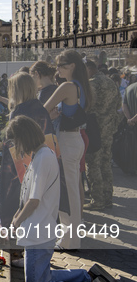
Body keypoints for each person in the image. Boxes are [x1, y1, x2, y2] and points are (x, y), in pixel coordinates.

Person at [6, 115, 123, 282]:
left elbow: (34, 200)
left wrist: (17, 222)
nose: (17, 147)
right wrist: (17, 215)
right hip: (41, 230)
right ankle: (87, 277)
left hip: (38, 233)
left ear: (24, 138)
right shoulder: (43, 154)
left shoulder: (42, 159)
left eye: (16, 142)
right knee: (44, 276)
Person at [0, 73, 56, 230]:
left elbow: (12, 142)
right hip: (41, 157)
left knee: (18, 195)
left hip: (20, 160)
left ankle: (13, 223)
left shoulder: (18, 111)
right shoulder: (39, 108)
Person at [44, 50, 94, 251]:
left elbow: (44, 108)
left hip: (67, 140)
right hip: (75, 138)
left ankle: (69, 239)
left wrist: (53, 114)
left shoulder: (67, 86)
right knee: (72, 188)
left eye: (60, 65)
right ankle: (71, 237)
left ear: (72, 65)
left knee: (68, 191)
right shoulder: (82, 86)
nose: (57, 70)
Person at [84, 60, 122, 209]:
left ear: (89, 69)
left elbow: (85, 106)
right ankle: (107, 197)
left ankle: (97, 200)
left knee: (93, 163)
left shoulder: (91, 84)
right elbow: (118, 104)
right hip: (109, 128)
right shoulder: (111, 82)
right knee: (106, 163)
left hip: (95, 129)